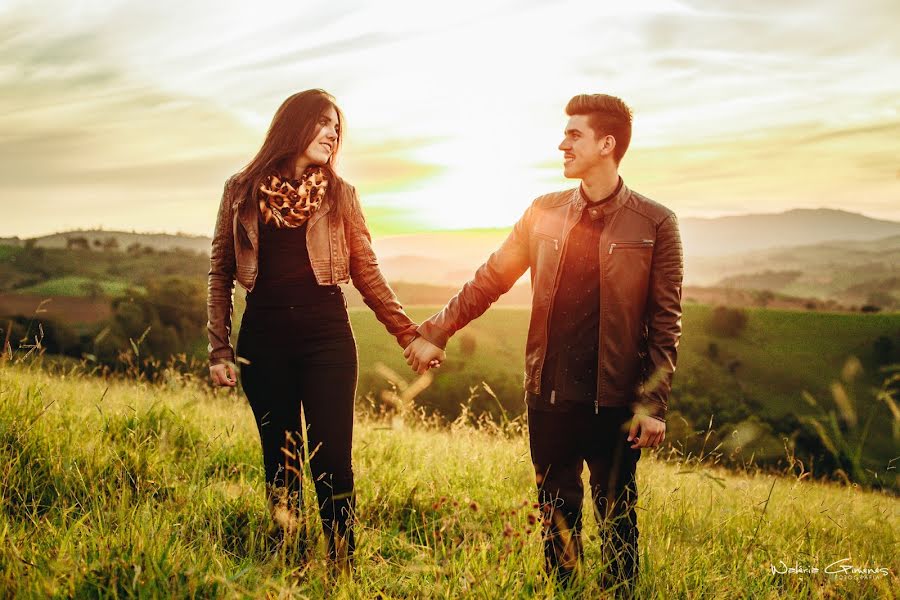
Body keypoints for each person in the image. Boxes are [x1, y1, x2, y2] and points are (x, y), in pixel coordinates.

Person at [404, 94, 683, 592]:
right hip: (548, 394)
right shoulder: (543, 212)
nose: (562, 144)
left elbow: (665, 323)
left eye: (573, 134)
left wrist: (653, 404)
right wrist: (435, 331)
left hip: (616, 400)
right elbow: (490, 279)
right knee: (557, 522)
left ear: (607, 143)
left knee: (619, 523)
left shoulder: (655, 223)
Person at [207, 89, 420, 571]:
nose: (333, 133)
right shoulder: (240, 190)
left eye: (338, 127)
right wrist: (220, 348)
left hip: (328, 337)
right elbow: (220, 271)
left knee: (332, 459)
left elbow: (366, 271)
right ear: (295, 125)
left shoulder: (341, 196)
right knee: (281, 460)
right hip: (263, 340)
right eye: (324, 123)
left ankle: (341, 563)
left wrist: (408, 333)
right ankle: (290, 561)